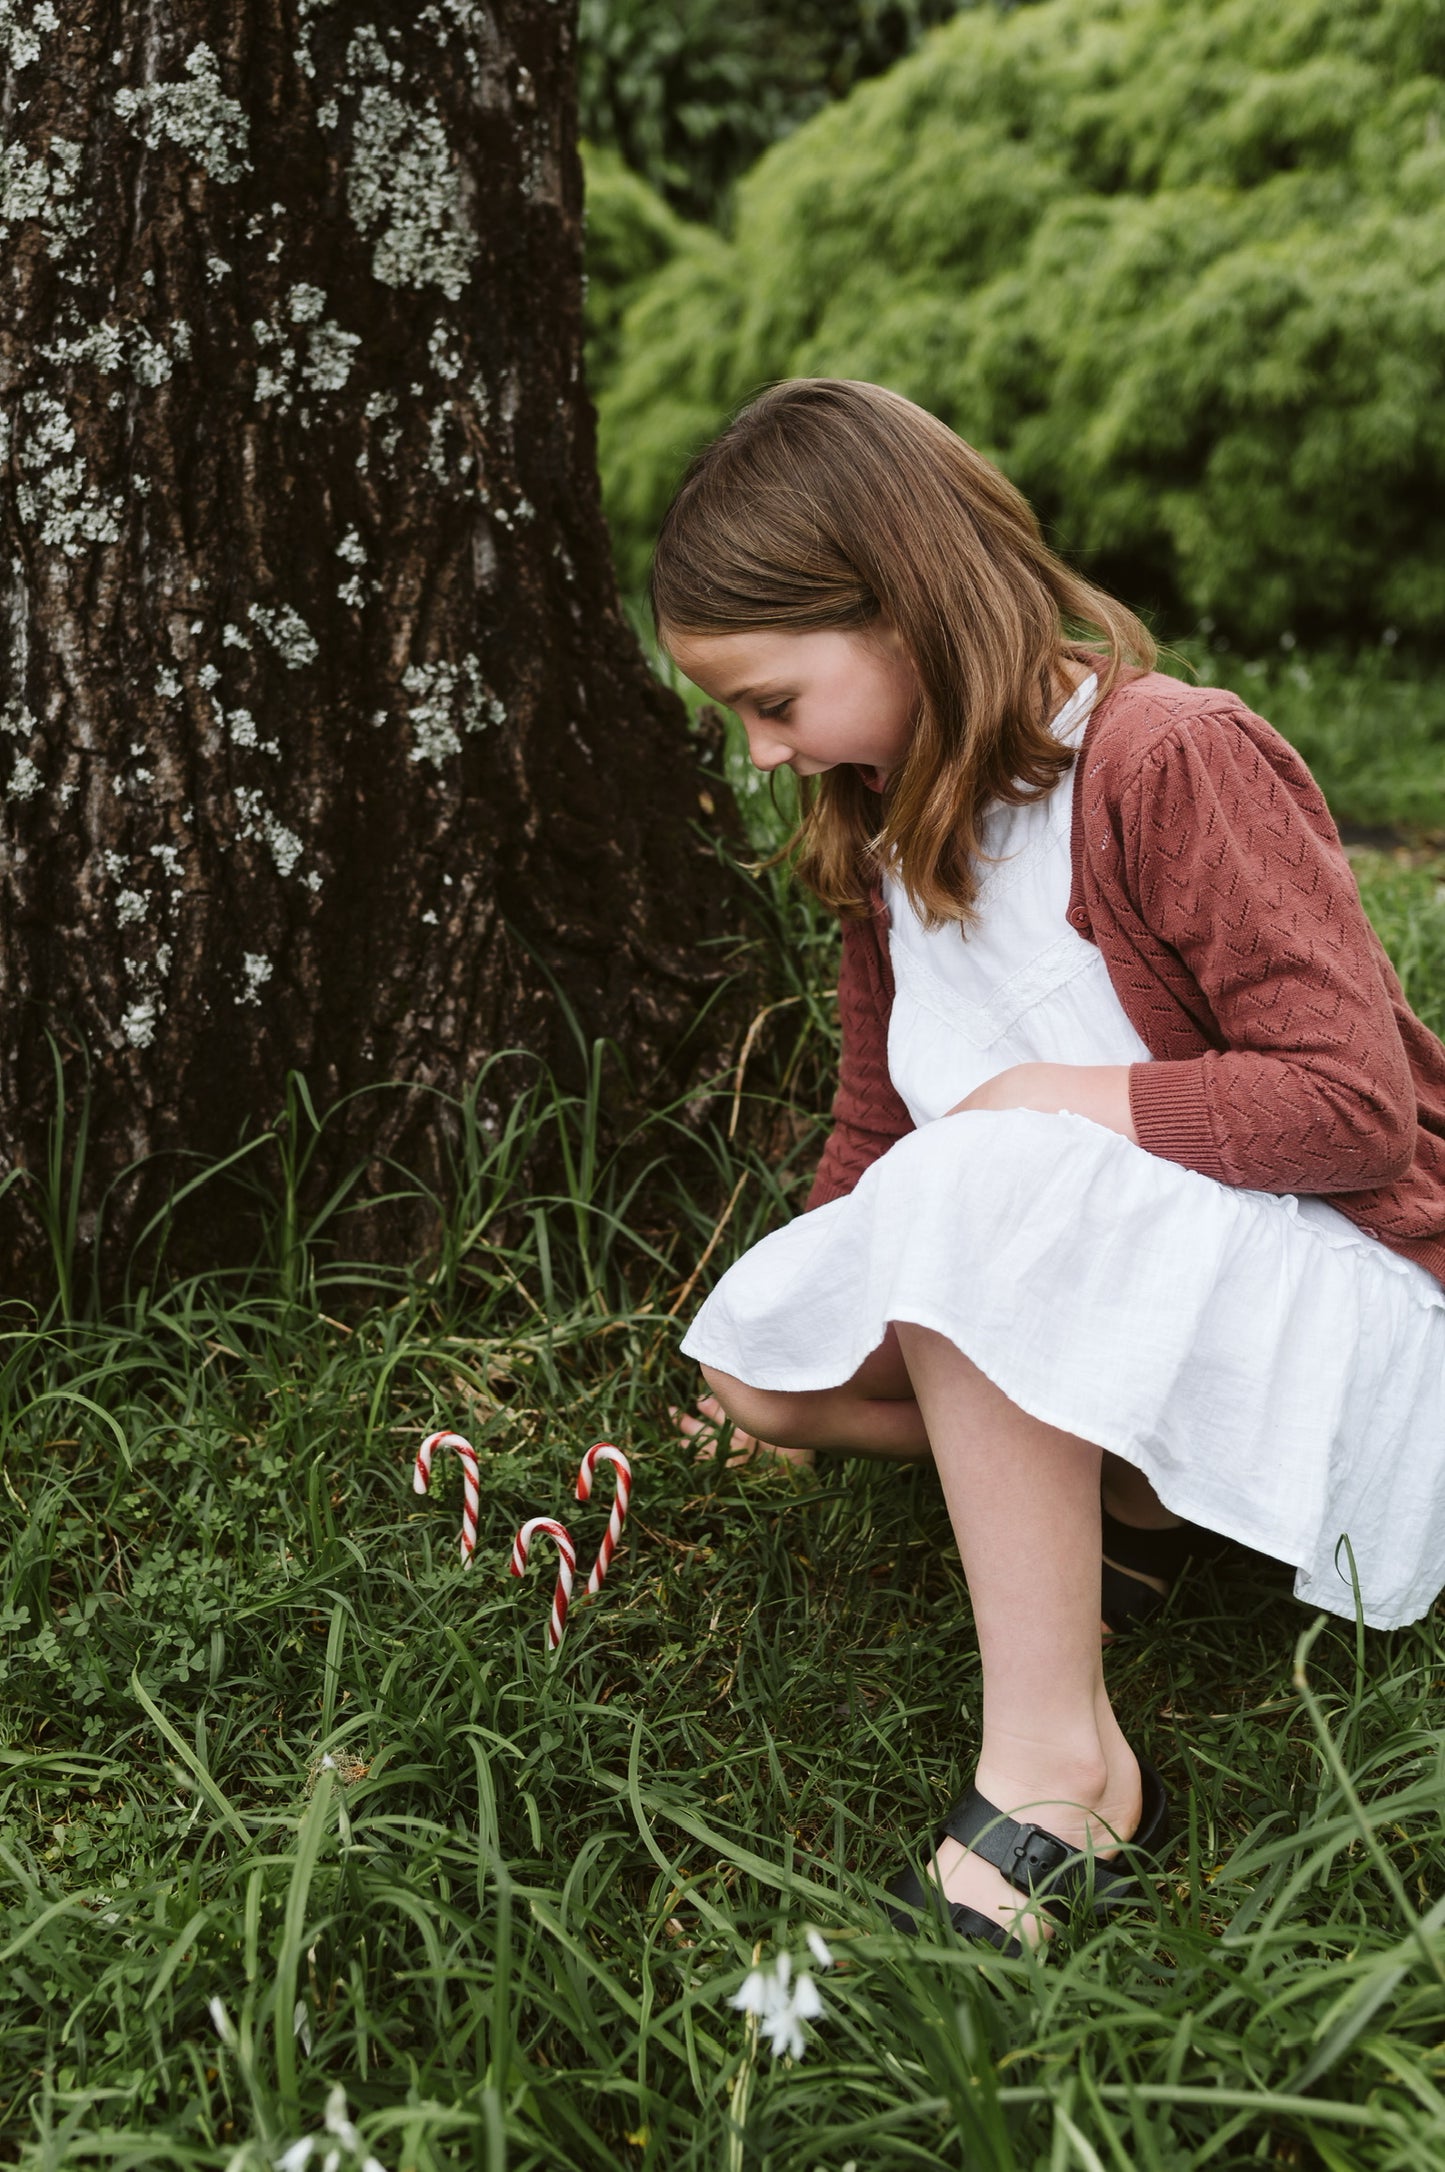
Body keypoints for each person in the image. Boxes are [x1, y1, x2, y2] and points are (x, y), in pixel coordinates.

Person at [654, 378, 1445, 1957]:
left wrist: (1051, 1101)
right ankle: (1140, 1513)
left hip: (1373, 1315)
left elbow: (1351, 1112)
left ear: (904, 610)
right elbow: (878, 1130)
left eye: (773, 700)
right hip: (1118, 1276)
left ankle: (1060, 1768)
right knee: (756, 1365)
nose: (758, 754)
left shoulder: (1164, 757)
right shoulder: (882, 825)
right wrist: (819, 1309)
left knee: (981, 1170)